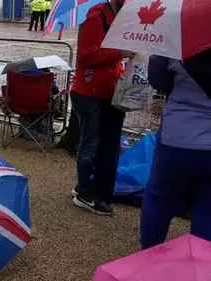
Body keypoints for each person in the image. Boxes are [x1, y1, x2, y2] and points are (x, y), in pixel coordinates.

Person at [140, 50, 211, 249]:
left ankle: (148, 262)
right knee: (207, 211)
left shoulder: (179, 37)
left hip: (177, 135)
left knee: (159, 200)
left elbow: (157, 79)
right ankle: (199, 268)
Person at [70, 0, 134, 216]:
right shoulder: (97, 16)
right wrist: (120, 52)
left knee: (108, 146)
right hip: (90, 94)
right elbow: (86, 57)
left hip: (111, 92)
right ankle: (85, 193)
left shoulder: (123, 17)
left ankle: (96, 190)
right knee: (91, 144)